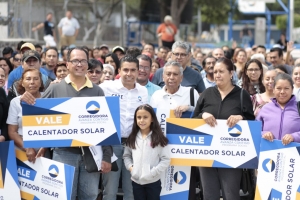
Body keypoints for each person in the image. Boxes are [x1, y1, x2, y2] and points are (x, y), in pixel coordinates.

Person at [20, 47, 112, 200]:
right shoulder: (55, 88)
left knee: (90, 195)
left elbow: (106, 127)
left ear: (87, 64)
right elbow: (37, 113)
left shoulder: (97, 91)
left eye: (83, 61)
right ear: (68, 64)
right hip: (63, 153)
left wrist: (107, 157)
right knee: (64, 196)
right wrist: (26, 101)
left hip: (91, 154)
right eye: (75, 61)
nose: (79, 64)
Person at [193, 57, 255, 200]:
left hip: (232, 155)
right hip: (207, 154)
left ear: (231, 73)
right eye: (215, 72)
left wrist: (241, 119)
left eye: (221, 71)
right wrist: (203, 115)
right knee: (209, 195)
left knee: (231, 195)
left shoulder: (241, 94)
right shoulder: (207, 93)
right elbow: (193, 121)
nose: (217, 75)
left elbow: (252, 123)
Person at [100, 56, 148, 200]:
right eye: (125, 70)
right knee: (110, 190)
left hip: (134, 145)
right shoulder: (106, 87)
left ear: (138, 71)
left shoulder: (143, 91)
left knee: (132, 190)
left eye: (133, 70)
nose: (129, 73)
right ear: (119, 71)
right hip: (112, 144)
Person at [123, 104, 170, 200]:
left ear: (152, 119)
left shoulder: (158, 138)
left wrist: (153, 172)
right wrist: (131, 168)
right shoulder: (132, 137)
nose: (141, 120)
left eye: (145, 117)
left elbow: (165, 159)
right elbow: (126, 156)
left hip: (153, 183)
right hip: (136, 182)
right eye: (139, 117)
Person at [7, 69, 46, 162]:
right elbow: (12, 132)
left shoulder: (47, 97)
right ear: (22, 83)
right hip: (21, 150)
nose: (32, 82)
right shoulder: (15, 102)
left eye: (36, 79)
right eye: (28, 79)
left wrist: (45, 147)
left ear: (40, 82)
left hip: (44, 150)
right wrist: (27, 148)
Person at [257, 73, 300, 144]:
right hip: (268, 152)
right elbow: (255, 130)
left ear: (292, 90)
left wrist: (294, 137)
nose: (282, 92)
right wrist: (264, 133)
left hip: (294, 153)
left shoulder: (298, 107)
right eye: (279, 88)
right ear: (273, 89)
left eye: (286, 88)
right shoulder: (265, 108)